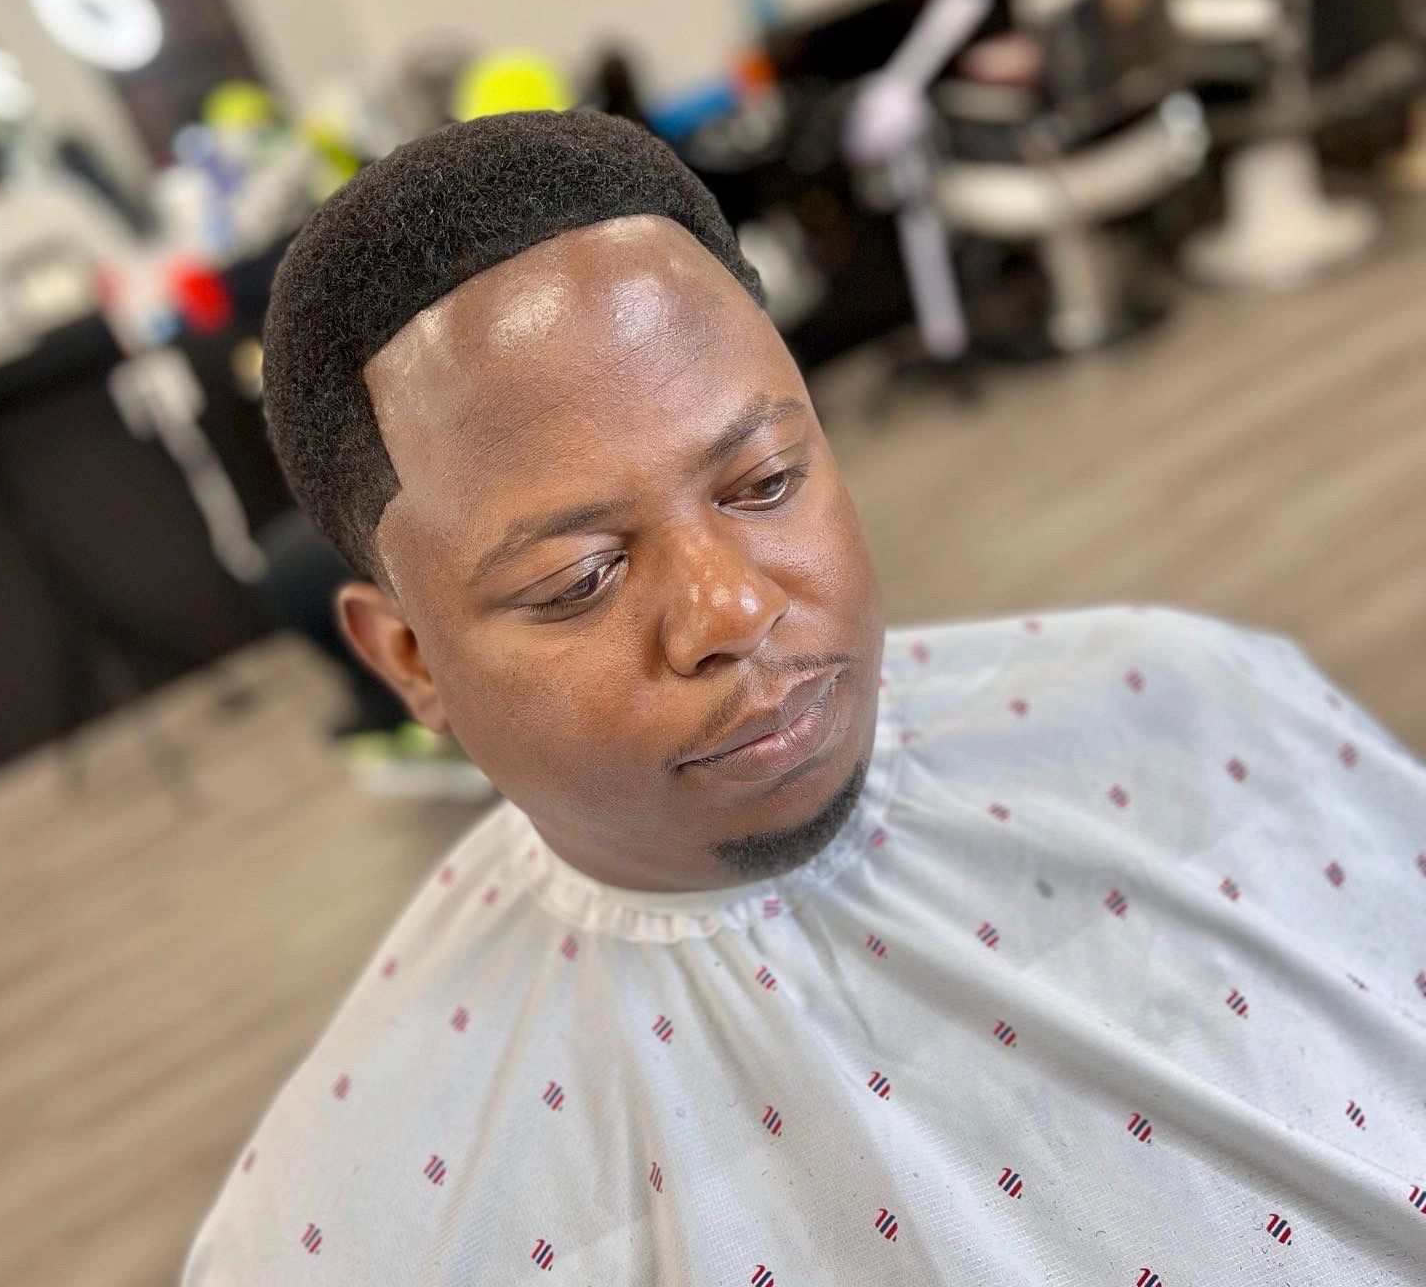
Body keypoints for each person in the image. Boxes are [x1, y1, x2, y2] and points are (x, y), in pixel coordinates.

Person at [183, 111, 1426, 1284]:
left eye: (766, 480)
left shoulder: (1192, 703)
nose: (732, 609)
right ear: (409, 659)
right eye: (581, 577)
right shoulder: (338, 1232)